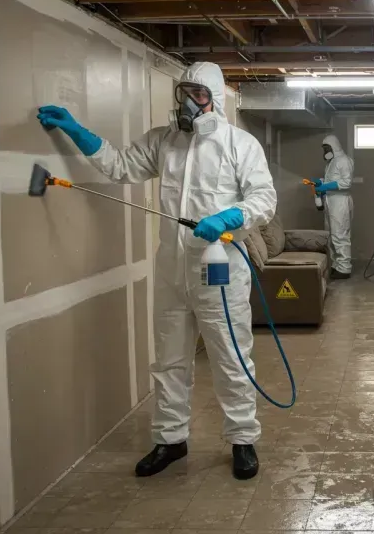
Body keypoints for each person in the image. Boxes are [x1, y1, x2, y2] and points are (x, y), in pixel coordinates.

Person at [36, 62, 276, 480]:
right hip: (170, 268)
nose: (187, 102)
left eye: (198, 94)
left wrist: (229, 216)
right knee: (168, 360)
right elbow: (119, 166)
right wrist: (77, 132)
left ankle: (242, 440)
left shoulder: (241, 144)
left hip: (218, 268)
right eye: (183, 92)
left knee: (230, 358)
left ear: (214, 99)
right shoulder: (163, 142)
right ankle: (171, 439)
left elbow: (264, 198)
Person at [311, 135, 354, 279]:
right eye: (324, 149)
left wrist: (325, 186)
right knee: (331, 234)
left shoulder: (344, 161)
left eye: (327, 148)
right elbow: (332, 179)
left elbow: (346, 182)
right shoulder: (331, 162)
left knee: (340, 234)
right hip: (331, 200)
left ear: (334, 147)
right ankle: (337, 265)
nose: (325, 151)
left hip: (340, 202)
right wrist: (320, 183)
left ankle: (344, 268)